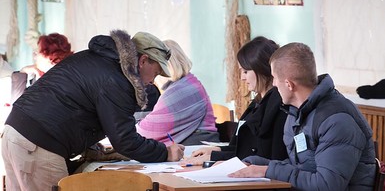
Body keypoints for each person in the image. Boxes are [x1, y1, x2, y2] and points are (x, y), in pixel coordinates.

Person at [2, 30, 185, 191]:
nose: (153, 81)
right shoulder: (117, 80)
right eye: (156, 72)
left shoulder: (99, 60)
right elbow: (125, 140)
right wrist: (165, 152)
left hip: (16, 132)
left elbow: (75, 106)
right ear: (143, 61)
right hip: (38, 144)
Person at [229, 42, 376, 191]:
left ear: (289, 84)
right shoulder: (297, 113)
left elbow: (327, 186)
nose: (273, 84)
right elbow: (300, 167)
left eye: (274, 78)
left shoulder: (337, 120)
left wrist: (267, 170)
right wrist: (252, 164)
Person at [181, 36, 288, 165]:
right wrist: (215, 151)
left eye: (246, 71)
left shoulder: (277, 105)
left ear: (261, 68)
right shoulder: (257, 104)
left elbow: (257, 154)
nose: (242, 78)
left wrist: (214, 156)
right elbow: (243, 148)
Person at [136, 39, 219, 145]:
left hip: (198, 147)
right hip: (198, 144)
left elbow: (148, 130)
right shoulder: (187, 83)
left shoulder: (183, 90)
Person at [11, 33, 74, 104]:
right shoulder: (53, 77)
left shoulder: (53, 86)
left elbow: (18, 106)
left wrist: (23, 72)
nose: (35, 57)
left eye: (37, 53)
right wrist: (24, 71)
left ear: (50, 57)